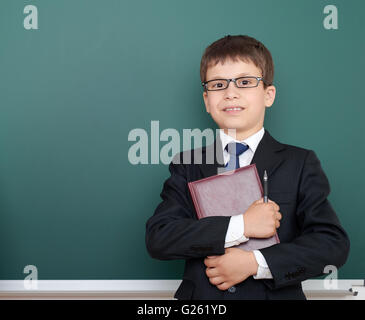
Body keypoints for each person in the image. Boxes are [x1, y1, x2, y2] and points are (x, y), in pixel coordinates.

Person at [145, 35, 350, 300]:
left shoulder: (299, 163)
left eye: (244, 82)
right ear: (207, 101)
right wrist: (242, 225)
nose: (231, 93)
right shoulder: (187, 165)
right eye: (218, 84)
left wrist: (256, 263)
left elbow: (332, 246)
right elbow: (160, 238)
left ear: (268, 94)